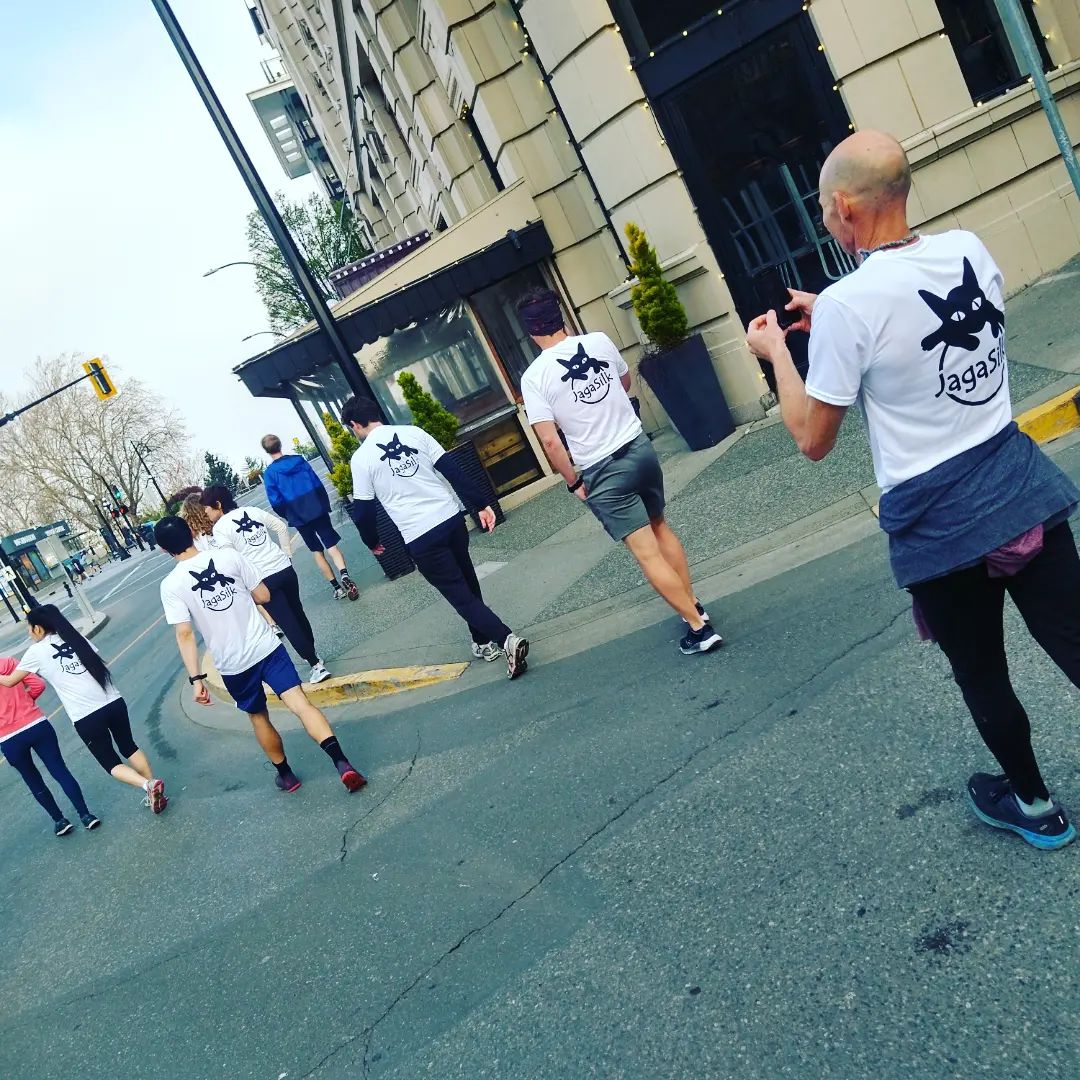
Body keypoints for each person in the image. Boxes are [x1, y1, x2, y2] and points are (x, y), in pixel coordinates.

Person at [745, 129, 1080, 851]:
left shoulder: (848, 305)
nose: (825, 219)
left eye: (823, 209)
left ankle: (1036, 806)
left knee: (982, 673)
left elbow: (812, 439)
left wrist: (778, 353)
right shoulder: (968, 250)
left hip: (938, 527)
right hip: (1020, 488)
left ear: (843, 207)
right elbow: (908, 314)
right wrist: (833, 313)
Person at [515, 288, 722, 656]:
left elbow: (549, 442)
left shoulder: (534, 378)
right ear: (560, 317)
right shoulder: (598, 341)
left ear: (530, 332)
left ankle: (699, 628)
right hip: (639, 448)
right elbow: (623, 383)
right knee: (660, 526)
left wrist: (573, 482)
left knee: (647, 553)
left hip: (603, 470)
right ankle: (693, 604)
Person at [153, 515, 366, 795]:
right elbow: (264, 595)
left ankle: (286, 776)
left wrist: (197, 679)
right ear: (192, 533)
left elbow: (185, 634)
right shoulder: (228, 556)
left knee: (258, 717)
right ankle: (341, 762)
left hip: (233, 664)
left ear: (164, 549)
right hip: (266, 647)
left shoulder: (171, 585)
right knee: (300, 704)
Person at [340, 397, 530, 679]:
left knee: (460, 596)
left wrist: (372, 541)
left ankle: (506, 640)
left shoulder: (362, 458)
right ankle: (481, 642)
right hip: (451, 520)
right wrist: (481, 504)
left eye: (351, 428)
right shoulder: (414, 433)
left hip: (420, 535)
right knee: (468, 583)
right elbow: (453, 471)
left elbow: (364, 510)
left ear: (355, 424)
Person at [0, 605, 167, 813]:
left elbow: (10, 681)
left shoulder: (36, 651)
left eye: (29, 627)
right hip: (114, 702)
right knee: (129, 746)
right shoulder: (75, 638)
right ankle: (154, 791)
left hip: (87, 715)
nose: (28, 632)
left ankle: (148, 785)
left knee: (110, 762)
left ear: (38, 628)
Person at [200, 485, 331, 685]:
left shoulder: (220, 528)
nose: (206, 513)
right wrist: (286, 554)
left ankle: (316, 665)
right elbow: (280, 527)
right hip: (284, 568)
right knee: (298, 613)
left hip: (263, 579)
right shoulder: (252, 511)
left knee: (287, 622)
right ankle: (313, 654)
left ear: (218, 504)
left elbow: (230, 559)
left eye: (207, 508)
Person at [0, 654, 100, 836]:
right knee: (60, 770)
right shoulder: (9, 662)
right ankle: (86, 815)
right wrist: (26, 702)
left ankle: (60, 821)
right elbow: (38, 684)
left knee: (32, 780)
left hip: (8, 737)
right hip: (36, 723)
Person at [261, 434, 359, 602]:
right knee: (331, 545)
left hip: (297, 515)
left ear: (267, 451)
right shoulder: (299, 460)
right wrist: (322, 503)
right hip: (317, 508)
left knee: (316, 550)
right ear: (280, 445)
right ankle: (344, 575)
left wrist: (288, 514)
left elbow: (275, 501)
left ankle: (337, 588)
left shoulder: (270, 473)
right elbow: (316, 483)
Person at [183, 492, 284, 640]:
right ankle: (272, 623)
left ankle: (264, 625)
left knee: (243, 597)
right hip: (236, 561)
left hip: (218, 570)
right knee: (253, 589)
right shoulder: (218, 523)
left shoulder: (196, 538)